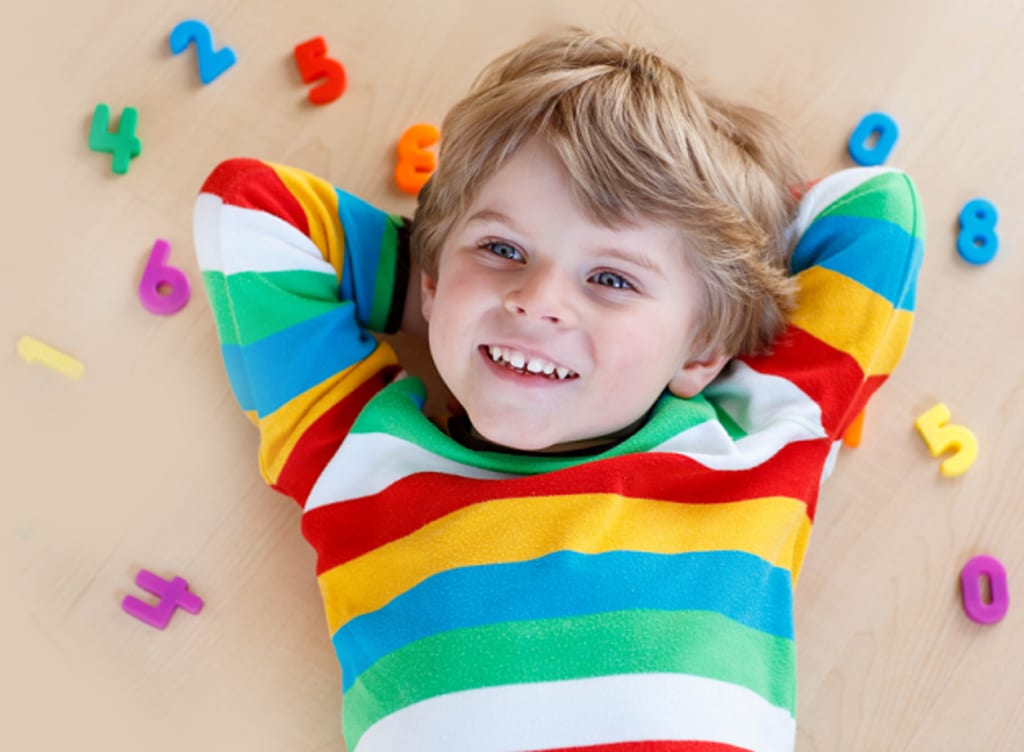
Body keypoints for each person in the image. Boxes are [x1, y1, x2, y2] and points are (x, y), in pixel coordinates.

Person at [192, 27, 923, 752]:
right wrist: (449, 293)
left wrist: (717, 254)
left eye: (610, 279)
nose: (537, 301)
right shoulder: (355, 461)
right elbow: (250, 207)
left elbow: (878, 210)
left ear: (703, 349)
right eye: (502, 248)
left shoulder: (756, 447)